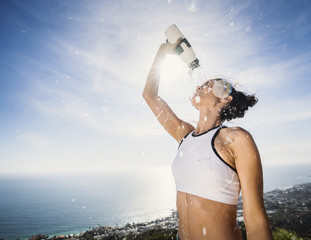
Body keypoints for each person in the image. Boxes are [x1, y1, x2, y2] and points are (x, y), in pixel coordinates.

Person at [142, 38, 273, 240]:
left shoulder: (236, 139)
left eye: (208, 85)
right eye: (200, 84)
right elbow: (149, 95)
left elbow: (255, 219)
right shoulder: (184, 134)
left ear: (225, 98)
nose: (200, 86)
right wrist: (162, 52)